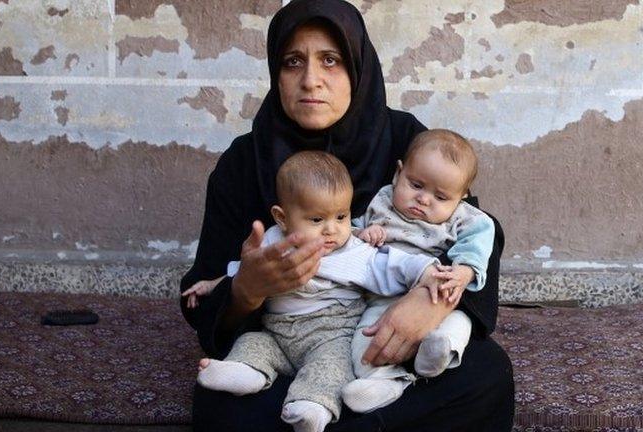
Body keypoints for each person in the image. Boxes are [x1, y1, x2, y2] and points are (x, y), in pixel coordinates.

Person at [179, 0, 515, 430]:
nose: (311, 81)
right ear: (275, 73)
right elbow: (203, 290)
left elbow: (477, 231)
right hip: (287, 347)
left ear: (358, 67)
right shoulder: (244, 162)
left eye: (330, 61)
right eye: (292, 62)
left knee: (484, 374)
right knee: (221, 403)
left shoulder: (403, 139)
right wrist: (247, 290)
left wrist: (427, 304)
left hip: (386, 341)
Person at [193, 151, 443, 432]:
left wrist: (429, 272)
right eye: (316, 220)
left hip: (331, 334)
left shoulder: (354, 251)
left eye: (341, 216)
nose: (332, 230)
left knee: (330, 369)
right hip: (276, 331)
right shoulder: (274, 241)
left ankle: (312, 407)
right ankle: (246, 372)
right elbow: (242, 270)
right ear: (282, 217)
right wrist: (212, 285)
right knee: (252, 343)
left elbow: (393, 264)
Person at [342, 129, 495, 413]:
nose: (424, 200)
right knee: (366, 339)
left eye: (440, 196)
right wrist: (363, 232)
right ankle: (384, 382)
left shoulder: (463, 217)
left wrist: (465, 271)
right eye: (416, 185)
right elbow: (344, 233)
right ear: (398, 173)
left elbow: (481, 236)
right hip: (383, 298)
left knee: (460, 321)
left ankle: (438, 353)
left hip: (434, 294)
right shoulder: (382, 201)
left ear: (461, 198)